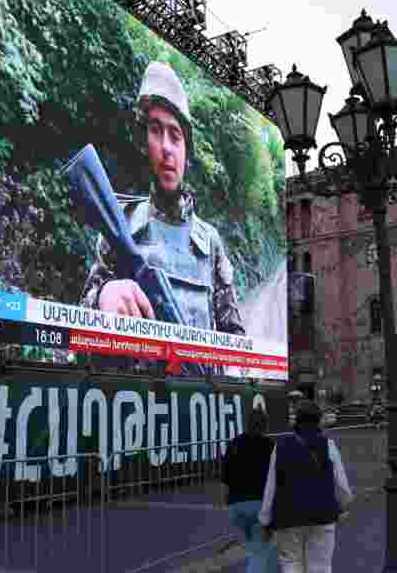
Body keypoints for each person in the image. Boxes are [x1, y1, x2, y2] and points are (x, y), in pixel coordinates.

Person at [80, 61, 245, 337]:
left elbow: (236, 343)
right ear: (144, 143)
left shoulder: (211, 243)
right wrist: (103, 298)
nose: (167, 147)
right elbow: (79, 326)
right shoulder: (121, 225)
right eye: (156, 131)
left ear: (186, 152)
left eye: (176, 136)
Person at [259, 400, 353, 573]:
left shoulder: (280, 447)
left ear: (297, 421)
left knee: (291, 564)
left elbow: (271, 487)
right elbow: (342, 485)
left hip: (288, 518)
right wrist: (343, 506)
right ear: (318, 421)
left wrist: (265, 520)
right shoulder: (328, 446)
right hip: (322, 515)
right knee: (320, 567)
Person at [221, 407, 276, 573]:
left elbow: (225, 480)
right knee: (259, 552)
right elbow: (277, 479)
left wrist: (229, 504)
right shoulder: (270, 445)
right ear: (265, 425)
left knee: (259, 545)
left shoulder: (234, 444)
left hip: (236, 506)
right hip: (260, 506)